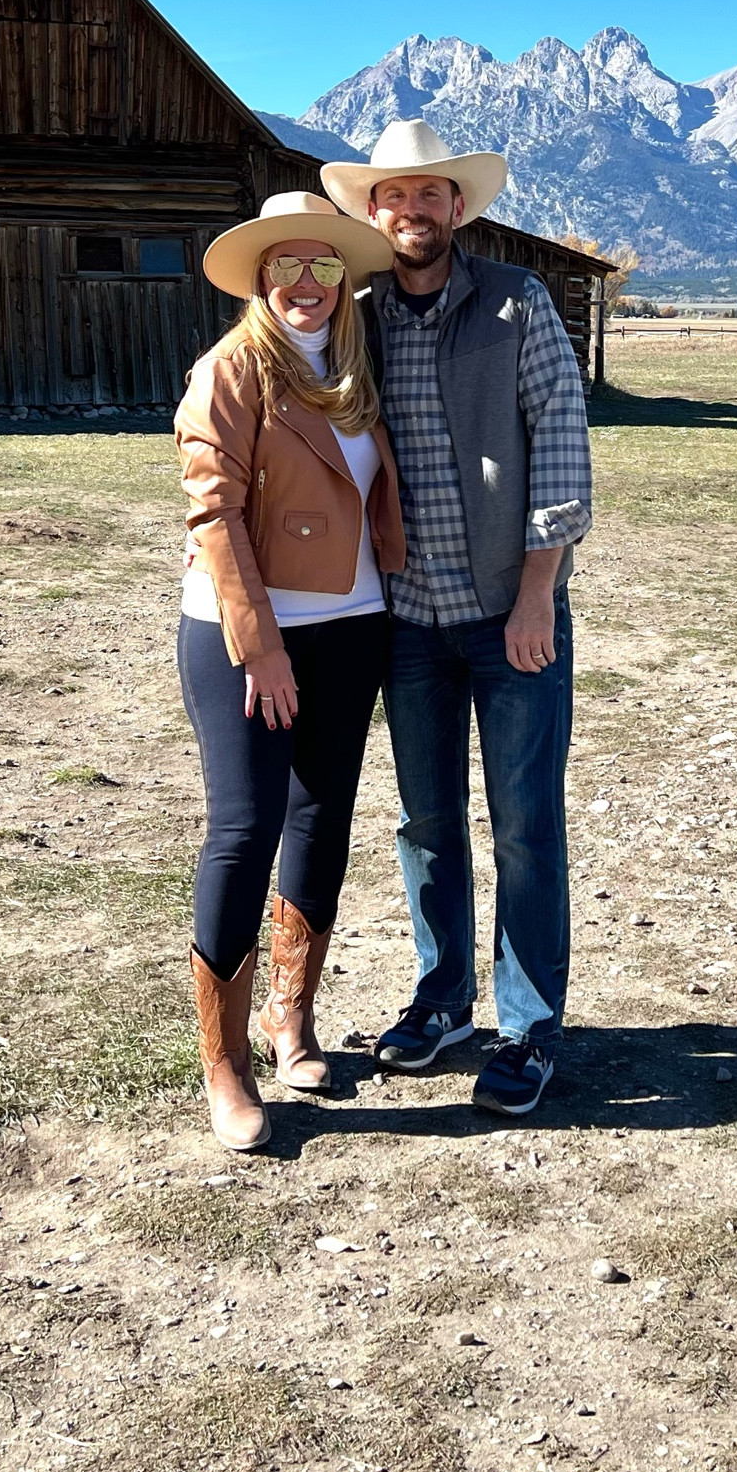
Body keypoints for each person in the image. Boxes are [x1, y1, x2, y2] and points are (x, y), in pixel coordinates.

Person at [321, 118, 592, 1118]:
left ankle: (526, 1025)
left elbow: (560, 450)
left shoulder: (519, 307)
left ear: (457, 206)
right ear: (372, 210)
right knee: (424, 821)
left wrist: (535, 596)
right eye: (391, 195)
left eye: (427, 192)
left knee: (524, 824)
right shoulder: (357, 317)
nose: (410, 209)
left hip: (504, 611)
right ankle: (443, 1001)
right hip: (404, 614)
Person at [173, 191, 405, 1151]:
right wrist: (261, 644)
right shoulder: (231, 369)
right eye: (285, 266)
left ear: (343, 278)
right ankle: (222, 1060)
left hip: (353, 621)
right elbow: (213, 513)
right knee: (244, 825)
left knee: (323, 817)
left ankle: (290, 1015)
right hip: (246, 634)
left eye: (322, 266)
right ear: (260, 277)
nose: (303, 284)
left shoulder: (356, 368)